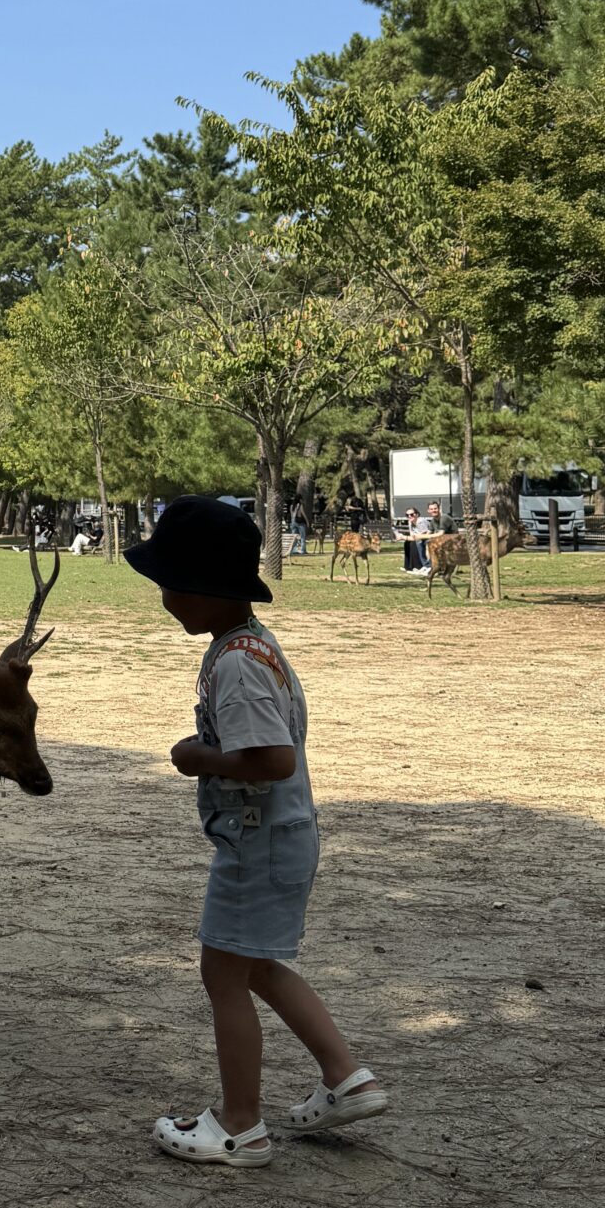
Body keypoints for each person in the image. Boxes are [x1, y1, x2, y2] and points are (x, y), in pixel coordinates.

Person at [123, 496, 387, 1166]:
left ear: (207, 590)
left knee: (222, 971)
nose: (163, 600)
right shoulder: (248, 643)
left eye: (170, 587)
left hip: (258, 839)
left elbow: (273, 760)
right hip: (280, 835)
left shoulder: (237, 664)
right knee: (258, 964)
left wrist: (199, 759)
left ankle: (240, 1125)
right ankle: (345, 1077)